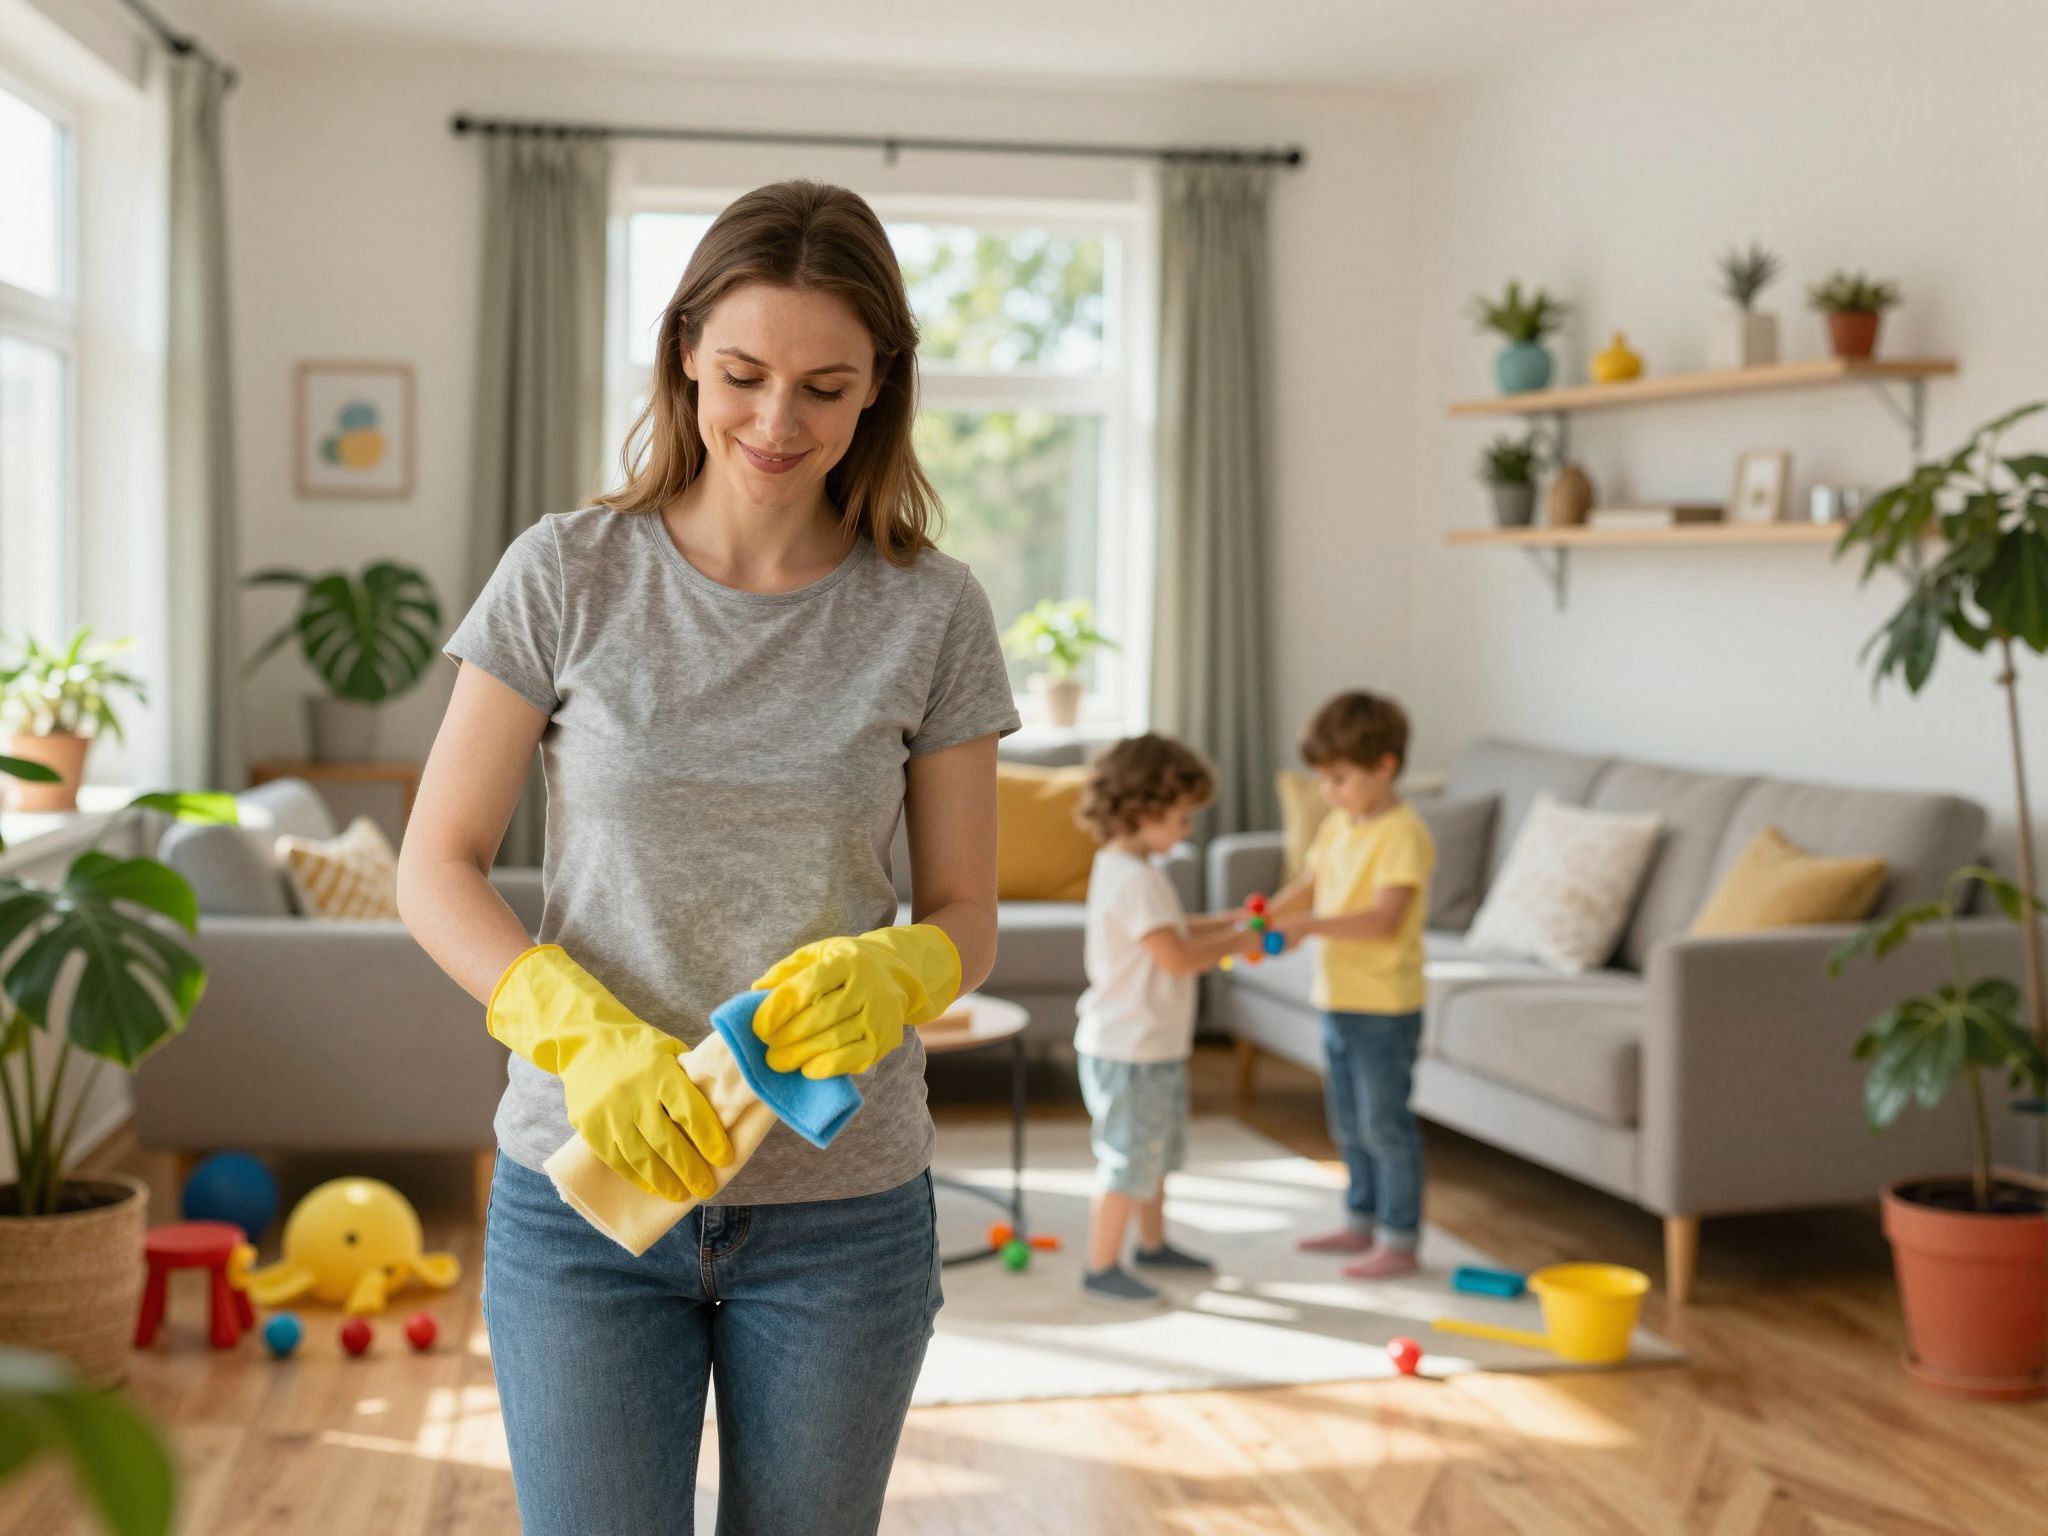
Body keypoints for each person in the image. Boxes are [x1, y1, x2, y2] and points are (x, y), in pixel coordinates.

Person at [397, 179, 1020, 1536]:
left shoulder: (933, 610)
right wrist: (578, 1031)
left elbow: (970, 910)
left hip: (843, 1218)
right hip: (586, 1200)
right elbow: (434, 864)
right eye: (742, 373)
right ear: (685, 351)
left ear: (880, 390)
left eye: (825, 385)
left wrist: (914, 964)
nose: (776, 422)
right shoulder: (568, 572)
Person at [1071, 734, 1258, 1303]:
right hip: (1131, 1052)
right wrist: (1236, 941)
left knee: (1155, 1153)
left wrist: (1224, 924)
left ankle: (1152, 1244)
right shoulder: (1137, 879)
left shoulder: (1128, 867)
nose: (1188, 830)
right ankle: (1101, 1265)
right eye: (1181, 817)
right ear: (1141, 810)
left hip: (1147, 1046)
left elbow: (1170, 931)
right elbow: (1175, 957)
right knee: (1129, 1159)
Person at [1264, 692, 1435, 1280]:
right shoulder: (1339, 823)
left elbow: (1384, 918)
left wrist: (1306, 927)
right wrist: (1266, 916)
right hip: (1337, 999)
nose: (1328, 791)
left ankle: (1399, 1237)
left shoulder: (1404, 834)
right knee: (1347, 1123)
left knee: (1385, 1126)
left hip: (1385, 1006)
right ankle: (1361, 1219)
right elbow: (1311, 883)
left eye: (1339, 778)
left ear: (1384, 766)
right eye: (1323, 779)